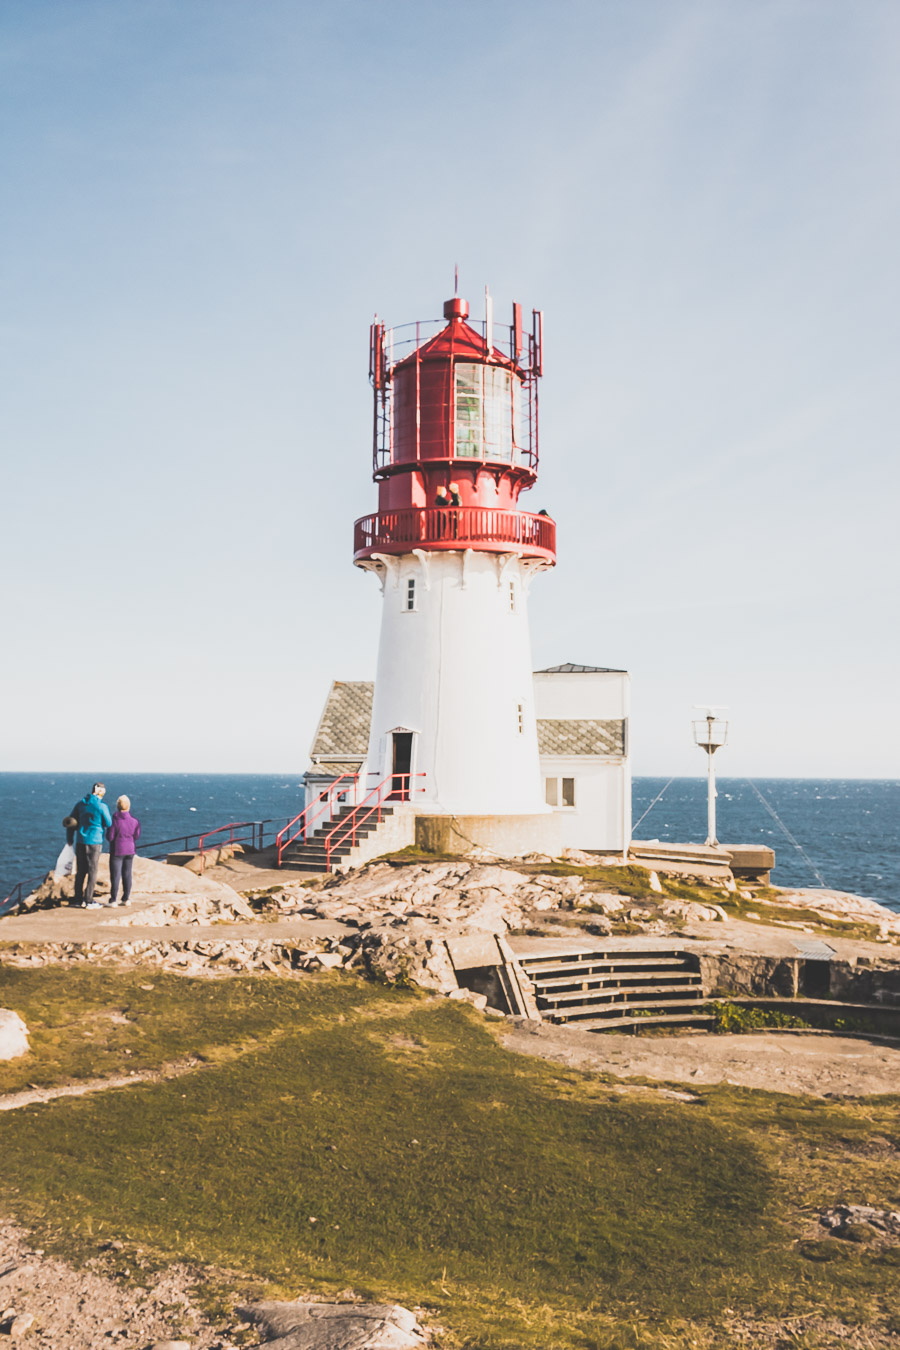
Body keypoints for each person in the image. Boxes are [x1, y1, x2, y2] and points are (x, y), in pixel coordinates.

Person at [67, 782, 112, 907]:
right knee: (92, 871)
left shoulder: (80, 804)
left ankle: (77, 899)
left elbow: (71, 821)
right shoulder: (101, 806)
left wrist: (69, 838)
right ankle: (88, 900)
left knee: (81, 871)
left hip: (81, 840)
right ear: (101, 792)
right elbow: (108, 823)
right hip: (95, 841)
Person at [107, 795, 141, 907]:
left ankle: (113, 900)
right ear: (129, 806)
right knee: (127, 874)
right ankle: (126, 898)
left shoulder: (114, 821)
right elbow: (136, 835)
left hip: (117, 850)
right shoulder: (135, 821)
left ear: (117, 806)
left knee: (116, 875)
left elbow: (110, 837)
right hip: (130, 849)